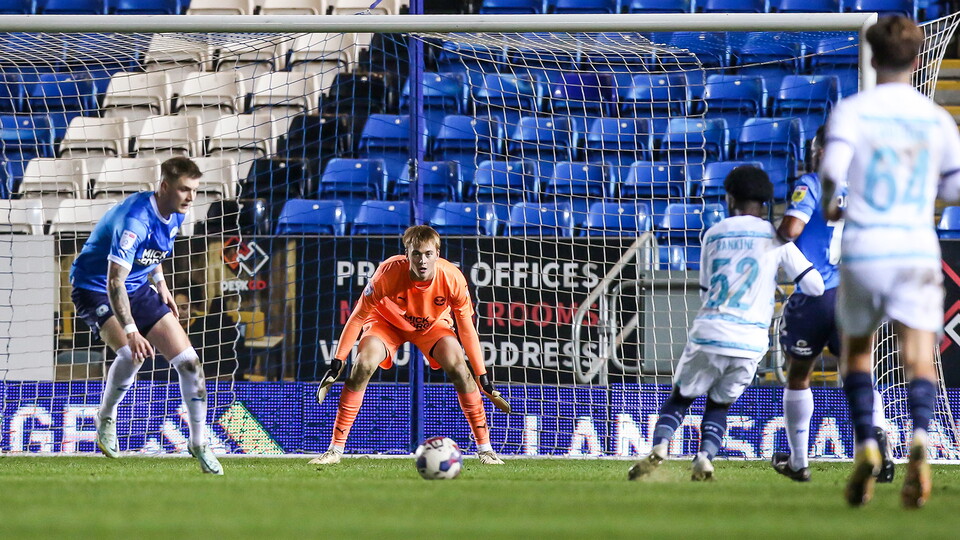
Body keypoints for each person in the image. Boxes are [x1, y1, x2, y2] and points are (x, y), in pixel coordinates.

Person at [820, 15, 960, 508]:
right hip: (916, 248)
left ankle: (866, 444)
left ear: (873, 59)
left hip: (864, 248)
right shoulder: (937, 118)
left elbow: (832, 172)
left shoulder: (853, 111)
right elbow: (954, 186)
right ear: (919, 60)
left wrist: (833, 205)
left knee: (857, 353)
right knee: (918, 355)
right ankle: (920, 435)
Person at [629, 165, 824, 482]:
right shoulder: (777, 239)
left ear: (729, 198)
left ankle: (661, 446)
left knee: (681, 398)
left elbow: (706, 290)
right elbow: (814, 285)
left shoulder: (713, 234)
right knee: (719, 405)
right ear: (765, 200)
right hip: (751, 342)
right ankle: (705, 459)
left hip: (711, 331)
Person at [70, 156, 223, 475]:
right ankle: (106, 418)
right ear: (164, 186)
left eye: (195, 190)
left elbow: (153, 253)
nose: (191, 197)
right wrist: (131, 329)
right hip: (94, 287)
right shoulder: (134, 221)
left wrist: (162, 285)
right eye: (184, 190)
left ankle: (199, 443)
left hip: (138, 287)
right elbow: (114, 281)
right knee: (131, 352)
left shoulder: (177, 213)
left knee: (190, 363)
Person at [310, 225, 510, 466]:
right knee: (362, 365)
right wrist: (337, 361)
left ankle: (485, 450)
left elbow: (466, 328)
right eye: (416, 254)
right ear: (407, 254)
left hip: (433, 325)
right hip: (387, 323)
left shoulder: (453, 278)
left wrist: (482, 376)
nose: (422, 260)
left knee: (460, 368)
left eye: (428, 254)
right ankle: (334, 450)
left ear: (438, 253)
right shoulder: (388, 272)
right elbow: (358, 316)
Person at [772, 127, 894, 483]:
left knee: (798, 374)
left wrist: (774, 239)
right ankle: (877, 443)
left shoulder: (812, 184)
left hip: (816, 294)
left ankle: (798, 462)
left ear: (823, 152)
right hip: (855, 294)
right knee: (859, 374)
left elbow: (792, 228)